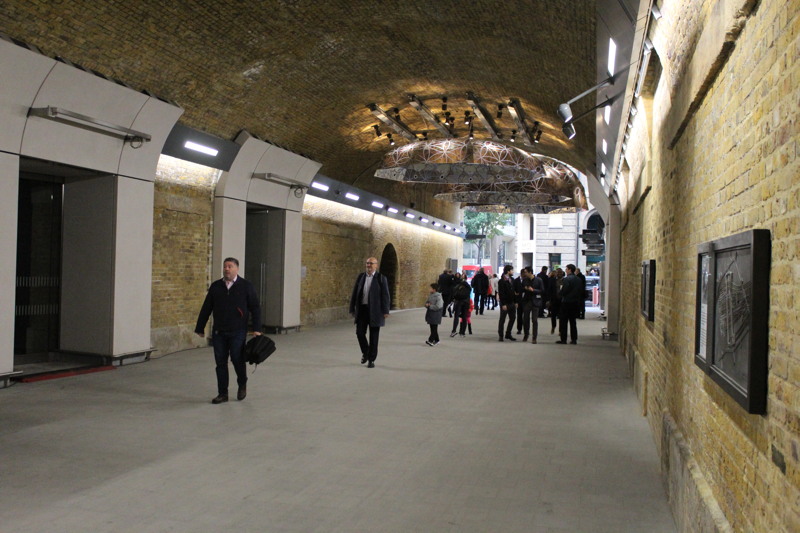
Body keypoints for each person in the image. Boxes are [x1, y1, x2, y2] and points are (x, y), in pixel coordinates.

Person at [195, 257, 262, 404]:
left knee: (237, 360)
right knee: (220, 363)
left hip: (237, 331)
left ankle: (242, 383)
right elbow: (206, 307)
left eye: (230, 266)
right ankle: (222, 393)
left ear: (236, 269)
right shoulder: (216, 287)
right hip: (219, 331)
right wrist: (200, 327)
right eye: (225, 266)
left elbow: (255, 308)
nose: (226, 269)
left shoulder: (246, 286)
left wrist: (257, 328)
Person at [349, 257, 391, 368]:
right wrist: (352, 308)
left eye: (371, 263)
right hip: (362, 310)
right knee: (359, 333)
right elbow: (355, 293)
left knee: (374, 337)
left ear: (376, 265)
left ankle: (371, 360)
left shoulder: (381, 278)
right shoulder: (361, 277)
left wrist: (385, 310)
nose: (369, 265)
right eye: (367, 263)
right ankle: (366, 352)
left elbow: (386, 296)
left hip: (376, 311)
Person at [557, 264, 581, 345]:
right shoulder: (578, 279)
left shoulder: (567, 279)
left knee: (564, 321)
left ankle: (563, 339)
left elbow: (565, 290)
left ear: (570, 270)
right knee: (573, 321)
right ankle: (574, 339)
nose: (566, 270)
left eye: (566, 269)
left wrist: (560, 294)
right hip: (575, 302)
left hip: (566, 302)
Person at [521, 268, 545, 343]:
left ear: (530, 272)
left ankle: (534, 337)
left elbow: (542, 290)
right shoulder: (525, 280)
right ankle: (526, 334)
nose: (525, 274)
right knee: (525, 319)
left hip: (535, 301)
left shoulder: (539, 280)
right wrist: (525, 288)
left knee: (534, 320)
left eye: (526, 272)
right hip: (527, 301)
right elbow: (521, 289)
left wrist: (533, 290)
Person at [497, 264, 517, 341]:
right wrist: (503, 304)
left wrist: (515, 302)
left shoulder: (512, 280)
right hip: (505, 303)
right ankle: (501, 335)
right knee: (502, 319)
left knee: (513, 318)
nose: (513, 271)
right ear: (508, 271)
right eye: (512, 270)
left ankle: (508, 333)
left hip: (512, 302)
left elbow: (514, 292)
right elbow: (501, 293)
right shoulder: (501, 281)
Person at [449, 272, 471, 337]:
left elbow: (454, 293)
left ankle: (454, 331)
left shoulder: (458, 285)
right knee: (464, 317)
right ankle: (462, 332)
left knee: (456, 317)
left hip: (459, 302)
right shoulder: (468, 286)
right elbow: (470, 292)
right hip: (466, 302)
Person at [547, 270, 562, 335]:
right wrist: (548, 300)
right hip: (554, 300)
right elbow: (549, 290)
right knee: (553, 315)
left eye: (560, 273)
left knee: (561, 316)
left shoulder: (564, 280)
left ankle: (560, 330)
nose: (559, 274)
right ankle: (553, 326)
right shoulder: (552, 280)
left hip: (561, 301)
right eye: (558, 273)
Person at [514, 268, 526, 335]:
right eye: (524, 273)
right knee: (519, 316)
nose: (525, 274)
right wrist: (515, 301)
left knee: (526, 316)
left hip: (526, 301)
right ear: (521, 273)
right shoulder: (516, 281)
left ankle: (526, 329)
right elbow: (514, 291)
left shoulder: (527, 280)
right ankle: (519, 329)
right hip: (519, 301)